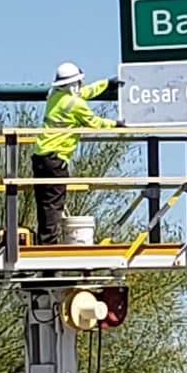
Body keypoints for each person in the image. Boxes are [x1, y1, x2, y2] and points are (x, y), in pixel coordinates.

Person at [31, 62, 119, 244]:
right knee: (54, 204)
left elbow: (84, 93)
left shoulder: (54, 97)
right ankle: (49, 246)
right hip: (56, 160)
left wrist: (106, 84)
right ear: (73, 84)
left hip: (40, 157)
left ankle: (45, 241)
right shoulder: (75, 104)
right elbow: (94, 122)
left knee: (44, 203)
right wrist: (116, 124)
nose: (80, 85)